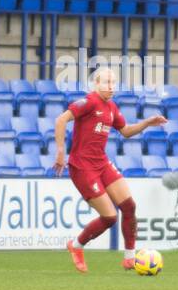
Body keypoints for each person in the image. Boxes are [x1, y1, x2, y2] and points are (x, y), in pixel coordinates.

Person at [53, 68, 166, 273]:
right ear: (96, 84)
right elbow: (60, 120)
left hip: (102, 163)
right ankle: (76, 246)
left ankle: (130, 258)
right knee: (110, 217)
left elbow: (126, 132)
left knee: (129, 206)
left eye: (113, 82)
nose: (111, 86)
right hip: (82, 166)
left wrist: (148, 122)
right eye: (106, 82)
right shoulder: (88, 102)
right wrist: (61, 152)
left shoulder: (112, 107)